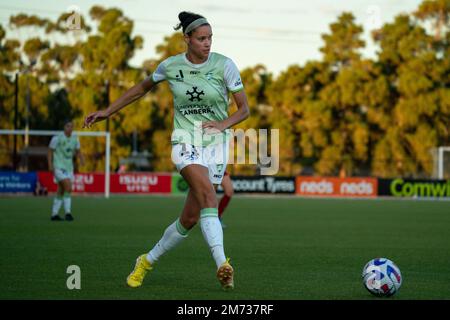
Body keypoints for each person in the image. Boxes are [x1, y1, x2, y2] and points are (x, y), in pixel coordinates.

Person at [83, 11, 250, 290]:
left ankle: (146, 261)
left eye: (210, 38)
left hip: (217, 145)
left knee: (190, 218)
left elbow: (244, 109)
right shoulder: (171, 66)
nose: (207, 43)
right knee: (209, 195)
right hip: (185, 141)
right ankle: (223, 264)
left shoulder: (225, 65)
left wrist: (223, 124)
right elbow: (140, 89)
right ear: (187, 39)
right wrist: (107, 111)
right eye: (201, 39)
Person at [48, 119, 85, 221]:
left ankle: (54, 214)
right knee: (68, 187)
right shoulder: (57, 138)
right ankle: (68, 213)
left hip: (69, 167)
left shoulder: (75, 139)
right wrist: (50, 164)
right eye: (68, 126)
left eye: (71, 126)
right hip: (58, 166)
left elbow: (78, 151)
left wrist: (81, 159)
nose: (70, 128)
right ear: (64, 127)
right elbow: (50, 152)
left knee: (61, 189)